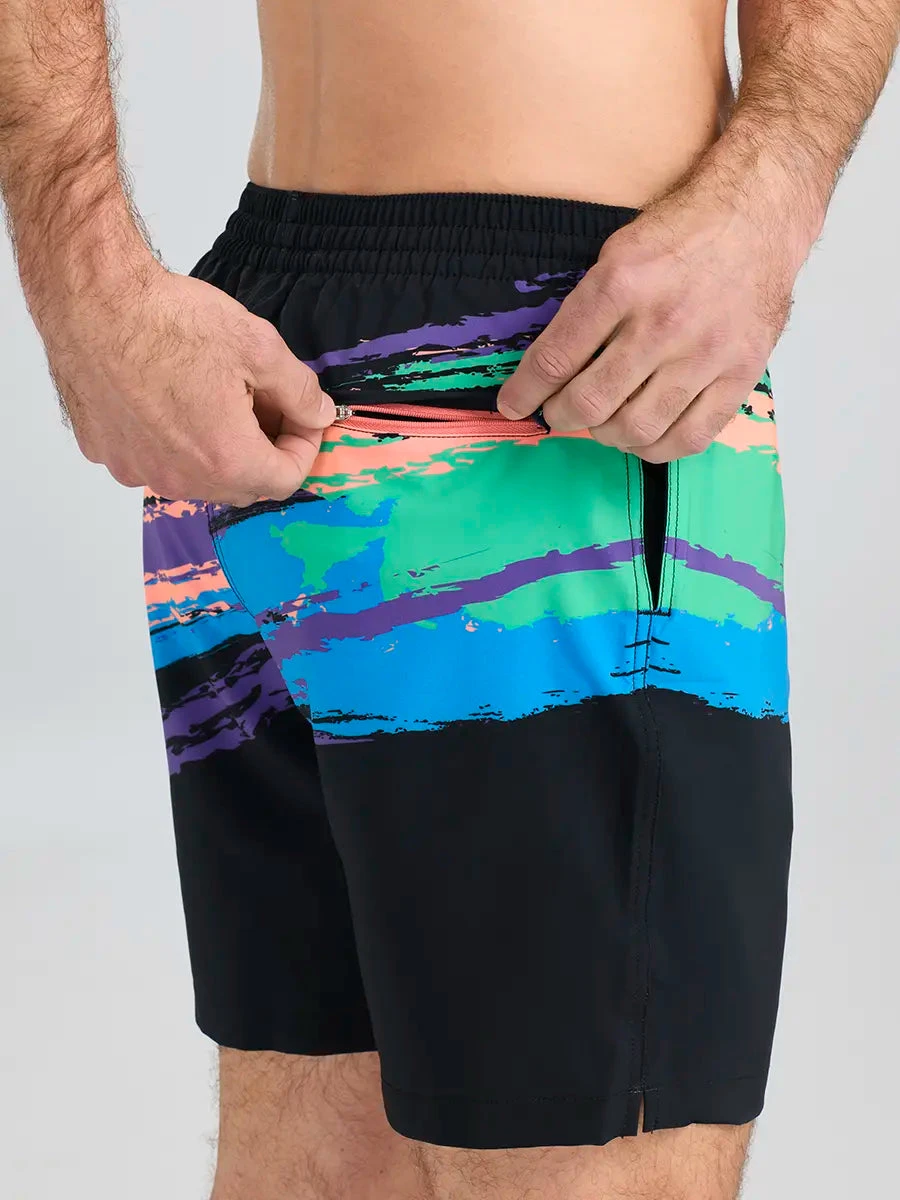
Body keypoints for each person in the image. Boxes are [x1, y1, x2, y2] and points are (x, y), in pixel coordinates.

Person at [2, 1, 897, 1197]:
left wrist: (90, 279)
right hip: (538, 391)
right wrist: (84, 279)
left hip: (266, 353)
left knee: (314, 1161)